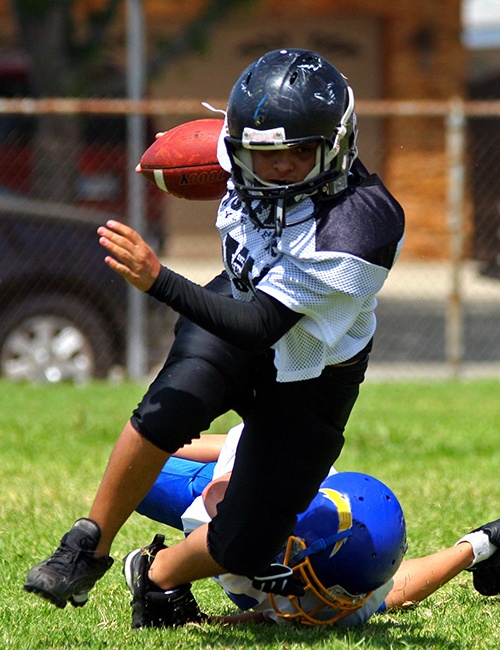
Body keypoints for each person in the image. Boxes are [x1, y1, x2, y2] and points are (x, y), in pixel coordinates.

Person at [24, 48, 406, 625]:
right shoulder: (238, 153)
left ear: (336, 143)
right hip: (238, 300)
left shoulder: (361, 222)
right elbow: (202, 159)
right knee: (170, 403)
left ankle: (156, 575)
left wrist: (158, 280)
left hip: (312, 365)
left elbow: (263, 329)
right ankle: (86, 546)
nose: (279, 167)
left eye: (300, 152)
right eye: (263, 153)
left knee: (248, 544)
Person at [129, 423, 500, 628]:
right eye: (315, 585)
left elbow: (400, 587)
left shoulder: (356, 574)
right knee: (137, 474)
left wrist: (479, 545)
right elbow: (220, 484)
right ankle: (153, 571)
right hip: (229, 480)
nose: (327, 606)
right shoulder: (264, 492)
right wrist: (162, 442)